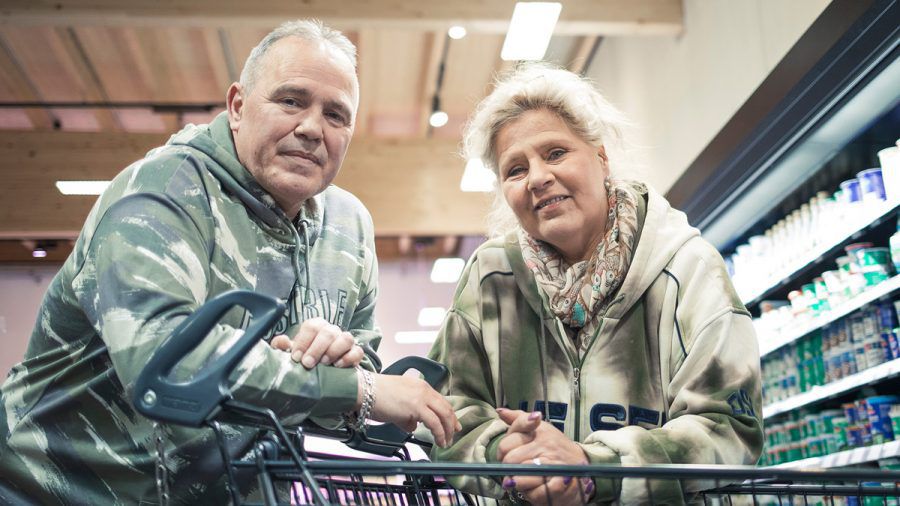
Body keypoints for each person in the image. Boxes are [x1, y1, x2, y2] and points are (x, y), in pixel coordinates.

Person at [0, 19, 457, 504]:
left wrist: (341, 365)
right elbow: (166, 363)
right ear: (237, 106)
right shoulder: (163, 190)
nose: (310, 128)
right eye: (291, 100)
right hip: (56, 492)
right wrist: (355, 389)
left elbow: (357, 381)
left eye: (336, 115)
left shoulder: (350, 228)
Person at [428, 62, 763, 504]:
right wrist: (508, 455)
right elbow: (444, 410)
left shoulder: (687, 269)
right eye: (515, 169)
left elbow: (729, 428)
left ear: (601, 158)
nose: (538, 177)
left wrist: (594, 469)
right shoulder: (490, 278)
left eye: (555, 153)